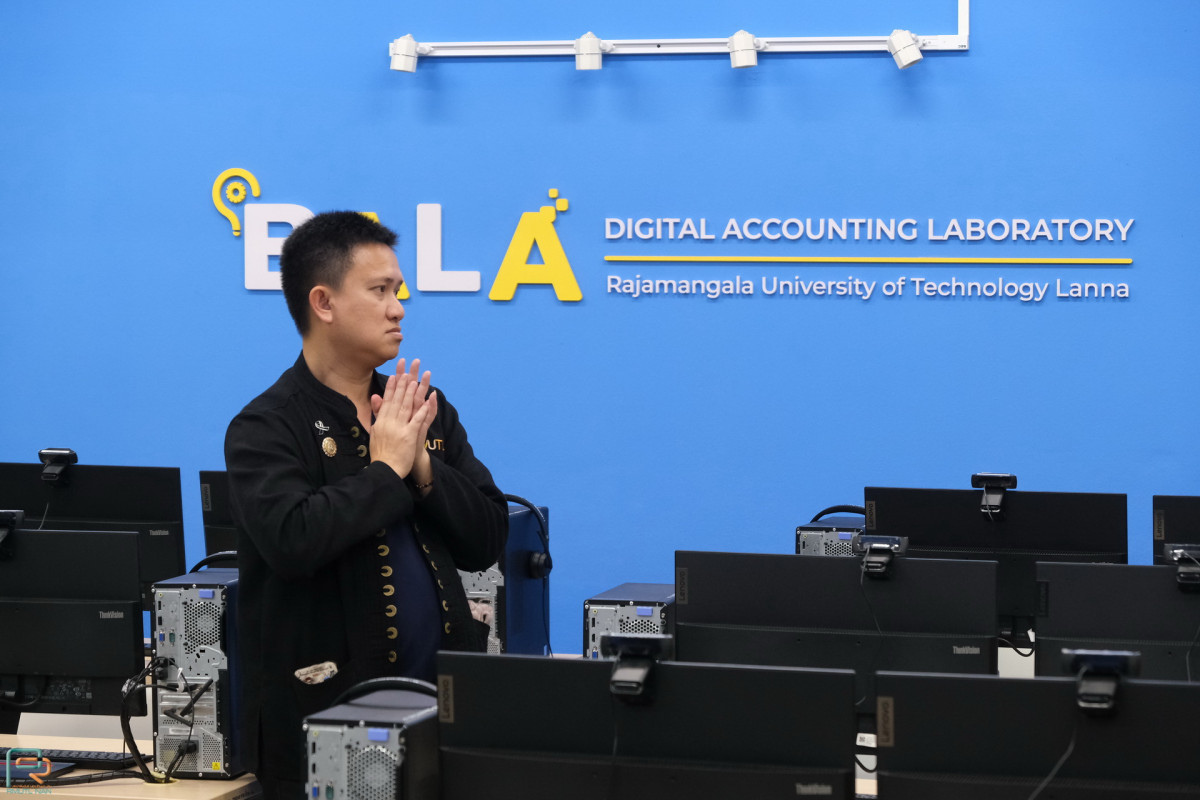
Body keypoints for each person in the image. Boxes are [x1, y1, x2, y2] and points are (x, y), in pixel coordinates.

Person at [224, 211, 507, 800]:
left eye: (398, 292)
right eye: (380, 291)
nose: (398, 309)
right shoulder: (266, 426)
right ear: (323, 302)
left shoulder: (421, 407)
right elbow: (293, 540)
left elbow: (488, 537)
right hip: (322, 732)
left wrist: (422, 465)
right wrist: (385, 471)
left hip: (442, 719)